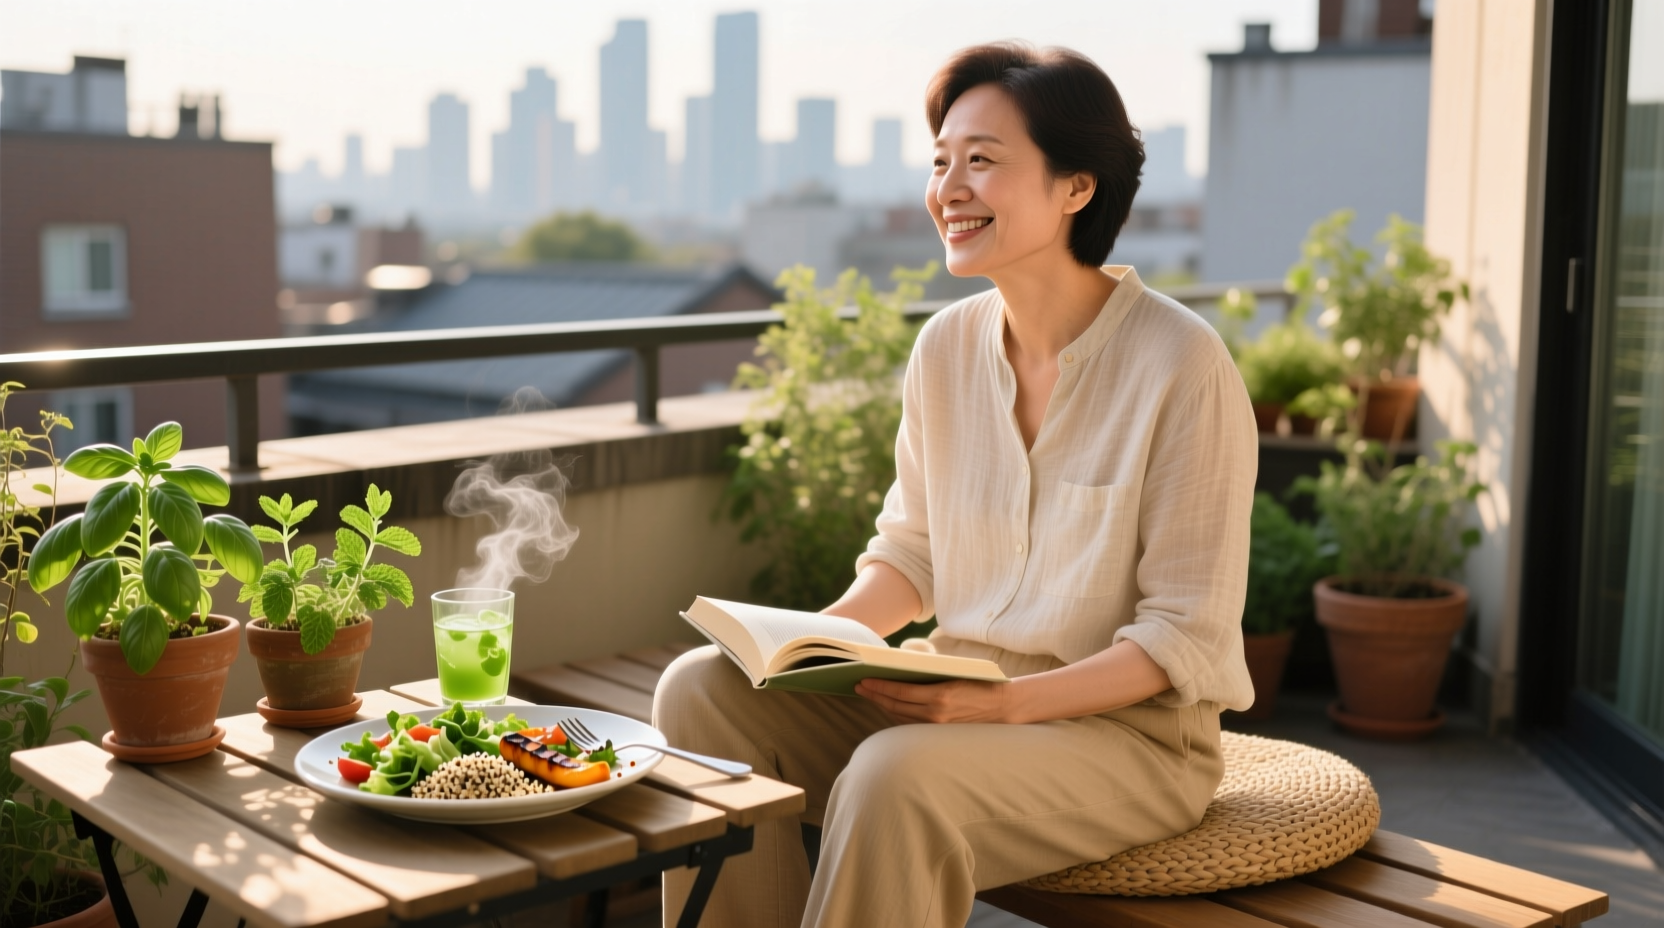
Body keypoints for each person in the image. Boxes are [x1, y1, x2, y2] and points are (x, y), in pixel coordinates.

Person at [655, 42, 1256, 928]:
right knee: (699, 692)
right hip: (964, 698)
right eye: (941, 162)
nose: (950, 188)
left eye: (982, 160)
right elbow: (912, 554)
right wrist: (809, 649)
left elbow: (1183, 637)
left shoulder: (1181, 364)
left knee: (896, 778)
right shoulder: (945, 348)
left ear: (1076, 187)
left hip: (1126, 740)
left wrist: (1011, 706)